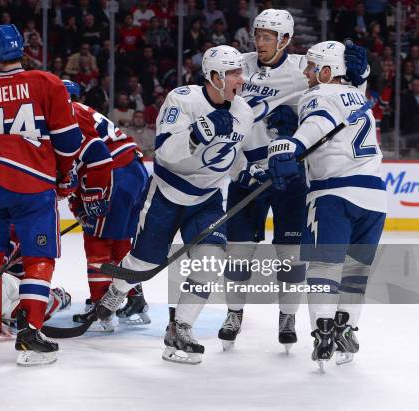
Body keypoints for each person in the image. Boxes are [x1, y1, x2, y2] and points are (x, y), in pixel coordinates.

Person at [217, 9, 370, 353]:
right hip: (246, 175)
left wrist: (362, 72)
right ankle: (233, 314)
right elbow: (222, 114)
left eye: (268, 37)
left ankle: (287, 317)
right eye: (257, 35)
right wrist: (237, 167)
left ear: (285, 39)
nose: (260, 43)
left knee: (290, 254)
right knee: (239, 252)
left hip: (288, 178)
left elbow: (346, 88)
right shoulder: (237, 63)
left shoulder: (306, 68)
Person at [94, 46, 253, 364]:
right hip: (166, 194)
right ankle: (115, 292)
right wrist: (199, 132)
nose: (242, 79)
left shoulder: (244, 112)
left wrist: (261, 167)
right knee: (144, 264)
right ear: (215, 77)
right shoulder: (182, 99)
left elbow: (237, 155)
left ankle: (180, 327)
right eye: (235, 72)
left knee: (210, 262)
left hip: (207, 199)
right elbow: (164, 152)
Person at [0, 24, 82, 366]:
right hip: (33, 188)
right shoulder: (47, 83)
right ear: (21, 50)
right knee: (38, 260)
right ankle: (29, 334)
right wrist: (65, 174)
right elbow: (68, 141)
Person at [267, 41, 385, 371]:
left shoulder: (319, 94)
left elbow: (318, 121)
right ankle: (346, 328)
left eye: (312, 67)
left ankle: (323, 330)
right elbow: (353, 86)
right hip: (374, 197)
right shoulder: (358, 93)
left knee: (322, 269)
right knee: (355, 272)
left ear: (328, 71)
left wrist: (292, 145)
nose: (306, 73)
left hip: (333, 194)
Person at [62, 80, 150, 332]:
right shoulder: (83, 110)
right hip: (132, 170)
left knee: (97, 240)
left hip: (114, 173)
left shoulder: (68, 114)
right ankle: (134, 300)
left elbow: (96, 157)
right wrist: (78, 201)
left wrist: (91, 198)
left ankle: (101, 305)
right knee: (121, 242)